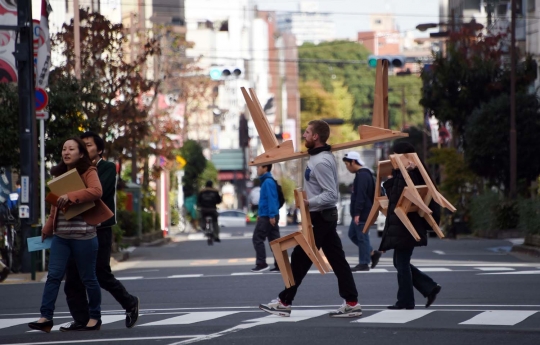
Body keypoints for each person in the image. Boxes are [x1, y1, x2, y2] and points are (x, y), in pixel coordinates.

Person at [259, 120, 362, 318]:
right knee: (337, 260)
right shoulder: (318, 157)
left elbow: (331, 195)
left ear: (316, 137)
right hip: (322, 217)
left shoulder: (321, 161)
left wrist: (308, 203)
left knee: (300, 258)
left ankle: (284, 302)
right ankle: (352, 302)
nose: (304, 135)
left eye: (307, 132)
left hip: (321, 217)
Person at [28, 137, 113, 333]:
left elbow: (96, 191)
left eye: (71, 149)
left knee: (88, 278)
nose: (66, 152)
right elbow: (54, 209)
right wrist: (47, 229)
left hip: (84, 236)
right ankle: (46, 317)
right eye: (64, 149)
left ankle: (95, 317)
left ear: (81, 153)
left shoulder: (88, 171)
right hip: (61, 236)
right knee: (53, 276)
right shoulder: (58, 174)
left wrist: (71, 196)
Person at [60, 132, 140, 331]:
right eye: (82, 145)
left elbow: (96, 192)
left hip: (100, 228)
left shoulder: (107, 168)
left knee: (100, 273)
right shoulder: (74, 169)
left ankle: (130, 303)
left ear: (99, 150)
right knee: (72, 276)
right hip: (75, 228)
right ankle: (82, 319)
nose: (84, 149)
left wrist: (73, 193)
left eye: (88, 145)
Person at [379, 142, 441, 310]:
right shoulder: (415, 171)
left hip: (407, 225)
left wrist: (396, 176)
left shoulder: (409, 173)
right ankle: (429, 288)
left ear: (403, 156)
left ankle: (406, 300)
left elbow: (396, 196)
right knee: (399, 262)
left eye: (395, 154)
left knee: (402, 263)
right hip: (407, 225)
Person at [342, 152, 382, 272]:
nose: (347, 167)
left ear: (353, 162)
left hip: (363, 212)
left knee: (362, 237)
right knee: (353, 234)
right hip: (362, 211)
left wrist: (358, 213)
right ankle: (372, 253)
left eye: (347, 164)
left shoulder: (363, 175)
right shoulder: (362, 174)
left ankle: (364, 263)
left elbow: (361, 195)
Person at [251, 165, 281, 273]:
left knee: (257, 238)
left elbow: (271, 199)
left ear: (265, 168)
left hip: (268, 216)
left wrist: (271, 215)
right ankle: (280, 265)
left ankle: (261, 263)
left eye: (258, 167)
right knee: (275, 241)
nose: (257, 169)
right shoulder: (267, 181)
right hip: (268, 214)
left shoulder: (267, 182)